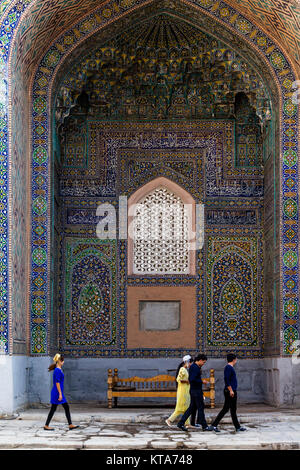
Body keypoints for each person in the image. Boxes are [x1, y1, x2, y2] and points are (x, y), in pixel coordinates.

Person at [177, 353, 213, 432]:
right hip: (196, 391)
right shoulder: (195, 367)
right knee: (200, 407)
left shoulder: (194, 367)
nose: (203, 364)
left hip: (194, 390)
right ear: (200, 360)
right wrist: (202, 381)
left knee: (192, 408)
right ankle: (204, 426)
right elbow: (192, 379)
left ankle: (181, 423)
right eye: (203, 362)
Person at [211, 353, 246, 433]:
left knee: (233, 409)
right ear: (234, 360)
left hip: (231, 391)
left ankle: (237, 427)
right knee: (226, 409)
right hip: (230, 391)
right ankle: (214, 425)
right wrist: (231, 390)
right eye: (236, 359)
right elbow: (226, 380)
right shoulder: (228, 368)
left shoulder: (230, 367)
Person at [44, 353, 79, 431]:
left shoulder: (58, 369)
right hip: (57, 392)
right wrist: (60, 393)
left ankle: (69, 424)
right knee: (61, 407)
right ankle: (47, 425)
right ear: (59, 361)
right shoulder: (57, 370)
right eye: (62, 360)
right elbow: (57, 382)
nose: (63, 361)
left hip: (57, 392)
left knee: (58, 408)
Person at [165, 355, 193, 428]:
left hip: (186, 391)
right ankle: (169, 420)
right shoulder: (182, 369)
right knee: (180, 408)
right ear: (187, 362)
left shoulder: (185, 370)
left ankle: (187, 424)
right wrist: (188, 381)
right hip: (182, 391)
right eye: (190, 363)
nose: (191, 365)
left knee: (186, 407)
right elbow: (178, 379)